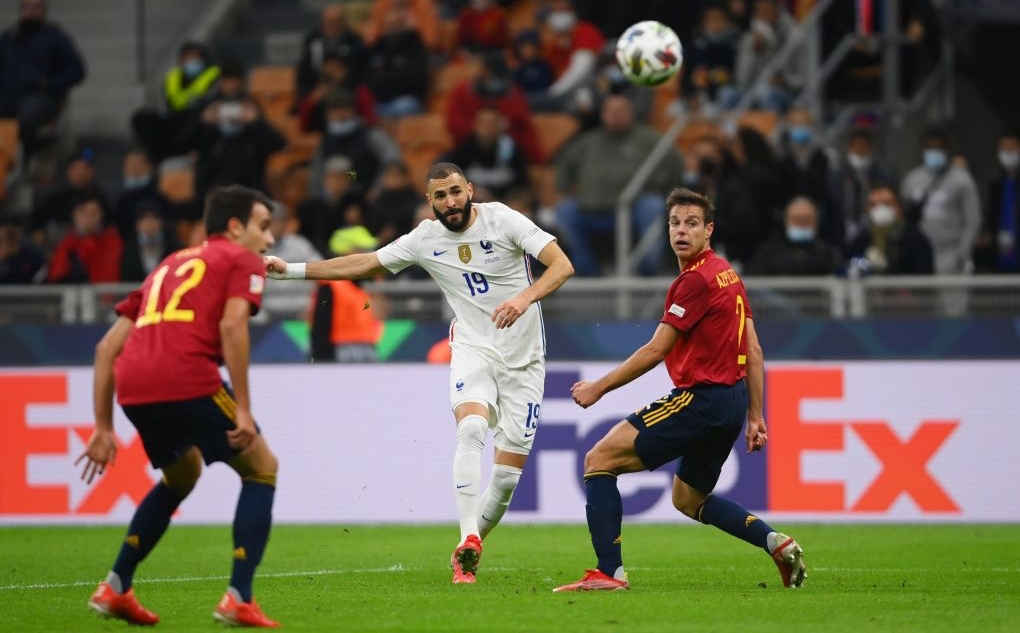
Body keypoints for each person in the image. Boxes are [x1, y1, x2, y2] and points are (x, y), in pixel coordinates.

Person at [266, 162, 574, 584]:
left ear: (469, 188)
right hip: (473, 347)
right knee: (470, 430)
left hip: (526, 360)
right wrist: (293, 271)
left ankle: (468, 545)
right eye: (440, 196)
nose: (450, 202)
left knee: (504, 483)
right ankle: (469, 539)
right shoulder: (424, 239)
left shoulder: (504, 219)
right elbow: (364, 264)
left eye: (455, 192)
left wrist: (524, 298)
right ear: (429, 202)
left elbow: (561, 266)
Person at [553, 187, 806, 592]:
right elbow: (753, 348)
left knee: (599, 459)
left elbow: (656, 349)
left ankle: (609, 573)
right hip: (732, 401)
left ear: (709, 230)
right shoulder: (728, 274)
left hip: (701, 399)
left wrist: (599, 388)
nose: (681, 231)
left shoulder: (694, 282)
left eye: (691, 224)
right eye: (674, 223)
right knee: (689, 499)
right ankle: (775, 542)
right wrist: (755, 415)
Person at [76, 185, 280, 627]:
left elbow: (106, 349)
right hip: (187, 377)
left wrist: (102, 427)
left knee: (182, 472)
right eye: (264, 227)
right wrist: (243, 408)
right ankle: (239, 597)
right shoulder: (239, 259)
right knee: (262, 467)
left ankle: (115, 587)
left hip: (133, 386)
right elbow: (232, 326)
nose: (269, 240)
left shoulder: (168, 264)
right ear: (235, 226)